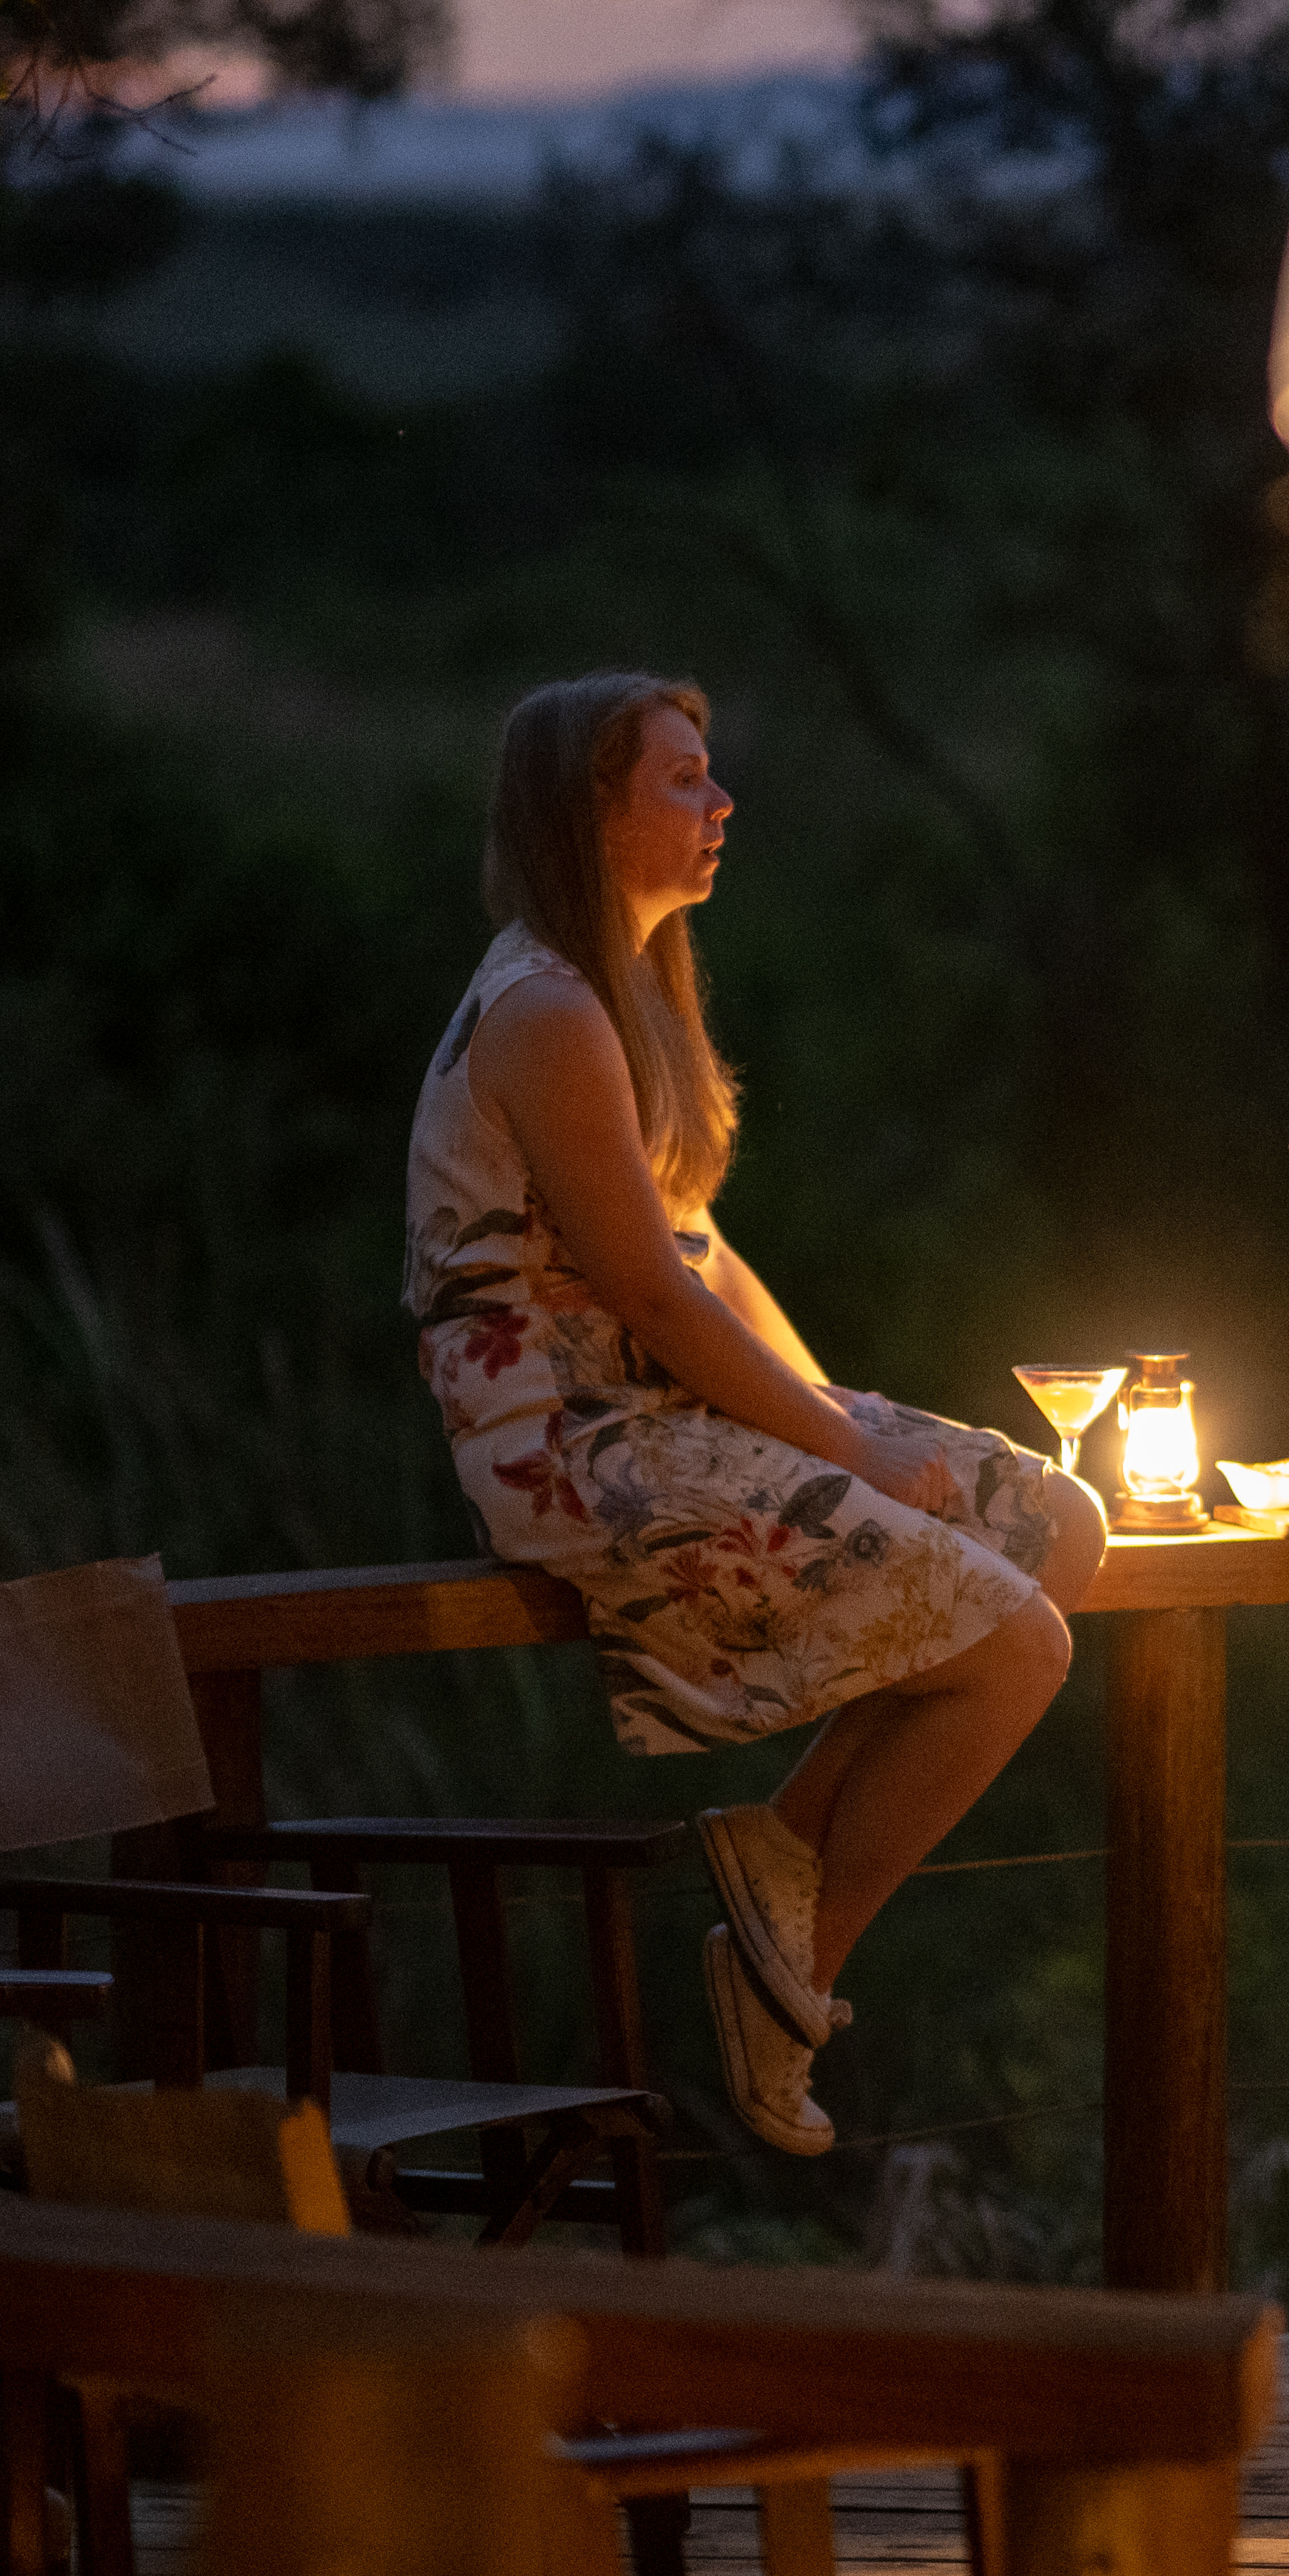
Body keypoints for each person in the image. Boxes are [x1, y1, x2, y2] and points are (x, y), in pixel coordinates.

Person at [403, 672, 1110, 2161]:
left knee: (1058, 1524)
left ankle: (782, 1843)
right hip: (574, 1442)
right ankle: (787, 1975)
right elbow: (651, 1301)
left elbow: (704, 1259)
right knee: (1020, 1650)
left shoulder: (627, 997)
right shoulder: (543, 1010)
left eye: (710, 774)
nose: (721, 804)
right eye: (682, 779)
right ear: (588, 812)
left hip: (666, 1401)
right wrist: (849, 1457)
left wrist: (839, 1417)